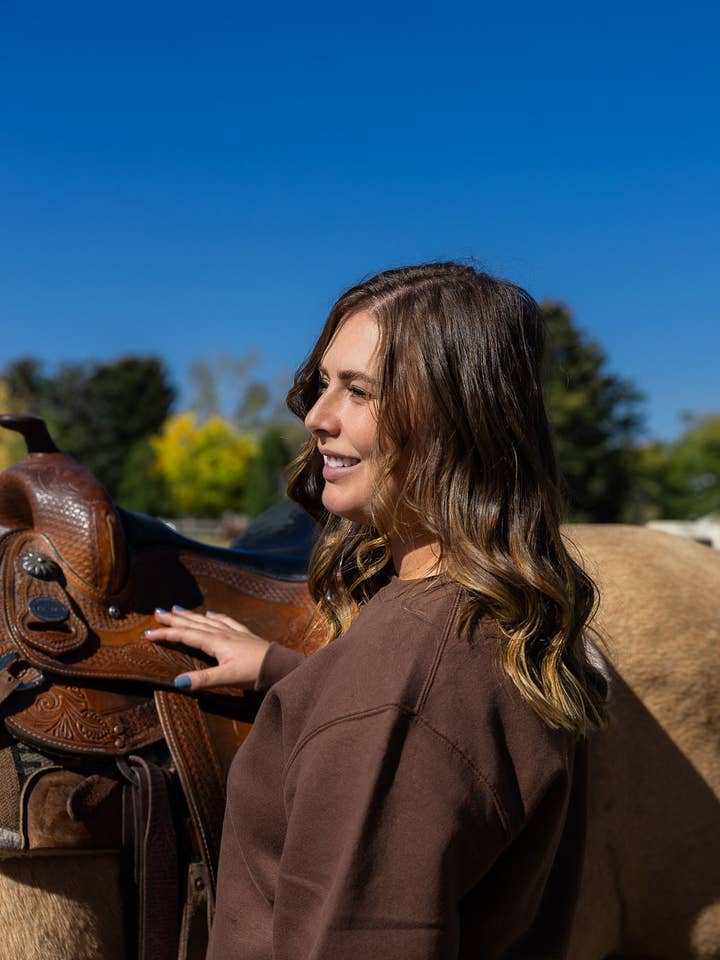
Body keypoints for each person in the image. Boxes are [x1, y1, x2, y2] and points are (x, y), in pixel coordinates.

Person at [147, 261, 608, 959]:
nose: (316, 418)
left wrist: (367, 702)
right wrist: (293, 675)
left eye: (358, 392)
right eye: (323, 384)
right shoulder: (497, 621)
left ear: (459, 417)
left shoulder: (402, 685)